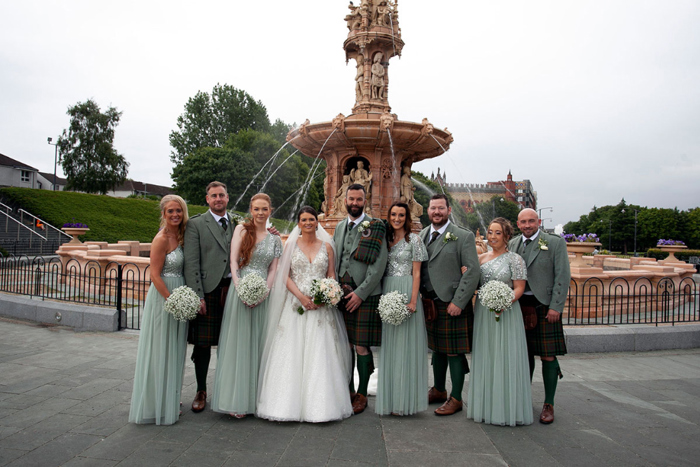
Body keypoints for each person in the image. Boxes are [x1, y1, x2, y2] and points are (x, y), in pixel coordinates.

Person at [257, 207, 353, 422]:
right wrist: (301, 297)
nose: (308, 222)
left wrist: (324, 296)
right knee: (291, 350)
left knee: (320, 352)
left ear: (316, 223)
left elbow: (331, 275)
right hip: (295, 304)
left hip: (320, 308)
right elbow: (285, 275)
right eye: (304, 219)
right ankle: (284, 405)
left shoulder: (327, 247)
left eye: (311, 219)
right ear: (298, 223)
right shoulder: (289, 245)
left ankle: (321, 406)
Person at [211, 193, 282, 418]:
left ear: (271, 210)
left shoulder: (275, 239)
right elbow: (233, 261)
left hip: (263, 295)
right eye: (256, 209)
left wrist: (264, 293)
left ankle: (256, 398)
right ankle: (235, 399)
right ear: (251, 210)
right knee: (238, 344)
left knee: (259, 344)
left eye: (265, 209)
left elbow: (273, 269)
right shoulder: (241, 230)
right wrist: (240, 288)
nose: (260, 213)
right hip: (240, 292)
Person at [129, 195, 189, 425]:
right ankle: (155, 401)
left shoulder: (181, 235)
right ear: (163, 214)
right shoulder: (161, 239)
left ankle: (170, 396)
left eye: (179, 211)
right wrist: (172, 300)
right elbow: (154, 275)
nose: (175, 215)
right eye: (170, 211)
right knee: (160, 347)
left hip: (179, 294)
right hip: (165, 295)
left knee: (174, 348)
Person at [467, 218, 533, 426]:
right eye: (490, 232)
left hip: (506, 313)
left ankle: (507, 406)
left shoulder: (515, 259)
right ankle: (486, 405)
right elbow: (474, 283)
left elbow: (519, 288)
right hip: (484, 314)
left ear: (506, 236)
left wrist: (504, 302)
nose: (493, 237)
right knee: (487, 355)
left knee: (505, 356)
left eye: (497, 233)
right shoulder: (480, 258)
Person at [509, 208, 571, 424]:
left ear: (539, 221)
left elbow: (562, 275)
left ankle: (549, 403)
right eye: (523, 222)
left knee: (547, 355)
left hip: (544, 306)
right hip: (518, 305)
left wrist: (556, 306)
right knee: (523, 355)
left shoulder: (554, 243)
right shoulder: (512, 244)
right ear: (518, 224)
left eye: (531, 221)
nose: (527, 225)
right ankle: (524, 399)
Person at [420, 194, 480, 416]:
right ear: (428, 210)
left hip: (452, 303)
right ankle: (438, 390)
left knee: (454, 352)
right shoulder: (422, 235)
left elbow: (472, 271)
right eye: (433, 208)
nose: (437, 212)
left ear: (449, 210)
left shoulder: (463, 236)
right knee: (437, 348)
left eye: (441, 208)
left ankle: (456, 397)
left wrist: (459, 301)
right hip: (430, 304)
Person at [333, 183, 388, 414]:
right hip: (340, 295)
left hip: (364, 294)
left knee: (361, 346)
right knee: (345, 346)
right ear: (345, 200)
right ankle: (348, 389)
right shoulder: (338, 227)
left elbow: (379, 266)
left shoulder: (375, 226)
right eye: (351, 199)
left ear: (365, 201)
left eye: (359, 199)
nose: (354, 203)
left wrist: (361, 293)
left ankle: (362, 394)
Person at [183, 181, 234, 413]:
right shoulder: (195, 224)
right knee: (202, 345)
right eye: (213, 196)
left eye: (221, 195)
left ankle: (227, 389)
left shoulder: (239, 224)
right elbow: (191, 262)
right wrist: (198, 296)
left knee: (230, 342)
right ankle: (201, 390)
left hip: (232, 291)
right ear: (207, 199)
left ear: (228, 197)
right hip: (208, 291)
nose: (218, 199)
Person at [375, 202, 429, 416]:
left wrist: (413, 300)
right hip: (388, 291)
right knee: (390, 347)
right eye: (393, 214)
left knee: (407, 347)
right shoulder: (385, 240)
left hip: (406, 290)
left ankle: (406, 400)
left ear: (406, 217)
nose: (397, 218)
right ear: (389, 216)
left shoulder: (414, 240)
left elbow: (417, 273)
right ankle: (390, 398)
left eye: (401, 215)